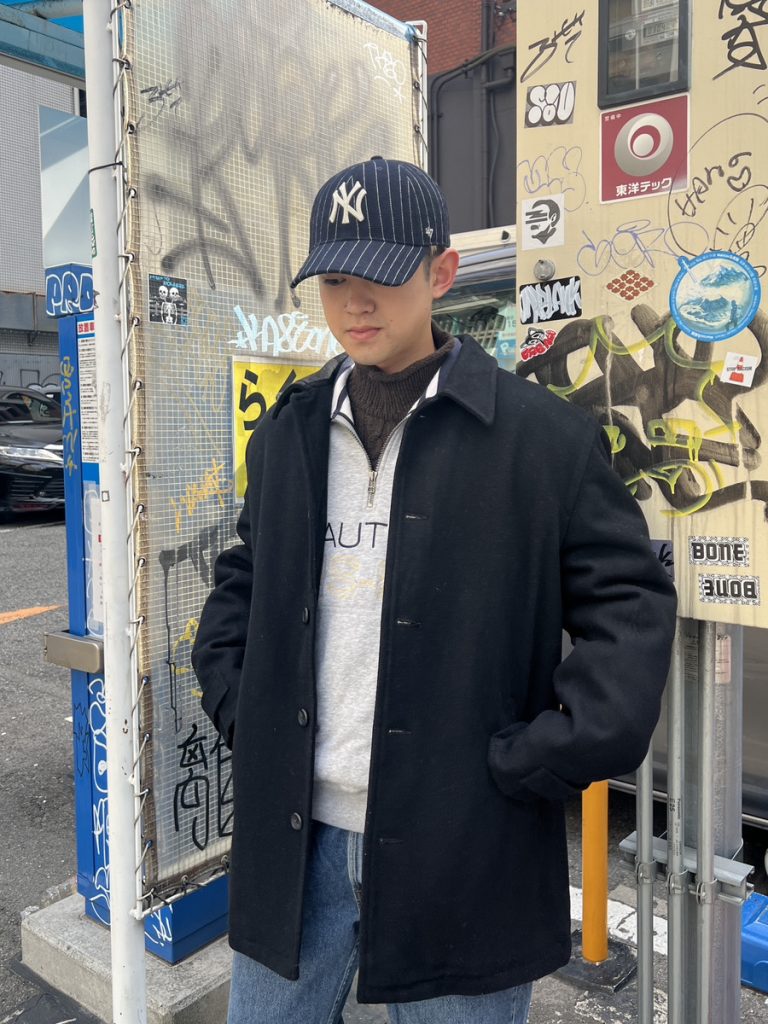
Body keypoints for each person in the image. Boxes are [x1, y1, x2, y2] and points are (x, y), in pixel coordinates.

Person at [192, 156, 677, 1024]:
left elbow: (630, 607)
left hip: (466, 847)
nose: (355, 304)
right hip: (294, 840)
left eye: (379, 275)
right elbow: (244, 580)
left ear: (441, 272)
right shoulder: (290, 431)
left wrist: (542, 757)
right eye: (333, 280)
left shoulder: (540, 441)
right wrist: (245, 712)